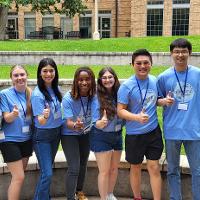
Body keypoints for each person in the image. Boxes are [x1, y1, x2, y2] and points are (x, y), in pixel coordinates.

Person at [157, 38, 200, 200]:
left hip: (194, 131)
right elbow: (156, 99)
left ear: (189, 53)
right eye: (176, 51)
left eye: (183, 51)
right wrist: (163, 101)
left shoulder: (197, 74)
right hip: (172, 131)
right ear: (171, 54)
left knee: (198, 170)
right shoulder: (163, 77)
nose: (180, 55)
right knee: (172, 170)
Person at [117, 49, 163, 200]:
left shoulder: (155, 81)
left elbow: (153, 100)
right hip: (134, 135)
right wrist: (136, 117)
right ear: (132, 65)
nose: (142, 66)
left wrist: (163, 102)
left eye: (146, 63)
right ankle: (137, 197)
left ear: (151, 64)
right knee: (135, 167)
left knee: (154, 167)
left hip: (153, 132)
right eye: (138, 63)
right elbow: (120, 111)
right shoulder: (126, 86)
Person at [61, 66, 96, 200]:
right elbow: (67, 122)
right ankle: (70, 197)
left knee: (83, 164)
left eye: (87, 79)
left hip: (85, 133)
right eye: (80, 79)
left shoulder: (94, 96)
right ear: (76, 81)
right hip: (69, 134)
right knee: (74, 167)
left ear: (92, 80)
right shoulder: (68, 98)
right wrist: (76, 125)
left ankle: (79, 192)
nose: (84, 82)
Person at [31, 58, 62, 200]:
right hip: (42, 136)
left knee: (46, 171)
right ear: (40, 73)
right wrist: (45, 115)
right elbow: (41, 122)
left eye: (51, 70)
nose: (48, 74)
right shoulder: (38, 94)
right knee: (47, 173)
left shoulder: (56, 89)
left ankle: (45, 197)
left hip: (56, 134)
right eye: (45, 71)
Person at [0, 65, 33, 200]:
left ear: (27, 76)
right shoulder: (4, 94)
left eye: (22, 74)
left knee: (19, 177)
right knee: (19, 177)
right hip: (9, 141)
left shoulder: (31, 93)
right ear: (11, 78)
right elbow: (6, 118)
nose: (20, 78)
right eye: (16, 75)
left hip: (26, 140)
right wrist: (13, 114)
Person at [90, 67, 123, 200]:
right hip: (101, 136)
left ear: (115, 78)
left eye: (110, 77)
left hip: (118, 135)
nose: (108, 80)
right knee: (104, 171)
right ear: (100, 80)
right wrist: (100, 123)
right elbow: (94, 121)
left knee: (114, 169)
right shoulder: (96, 97)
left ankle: (110, 194)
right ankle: (103, 198)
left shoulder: (120, 94)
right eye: (104, 78)